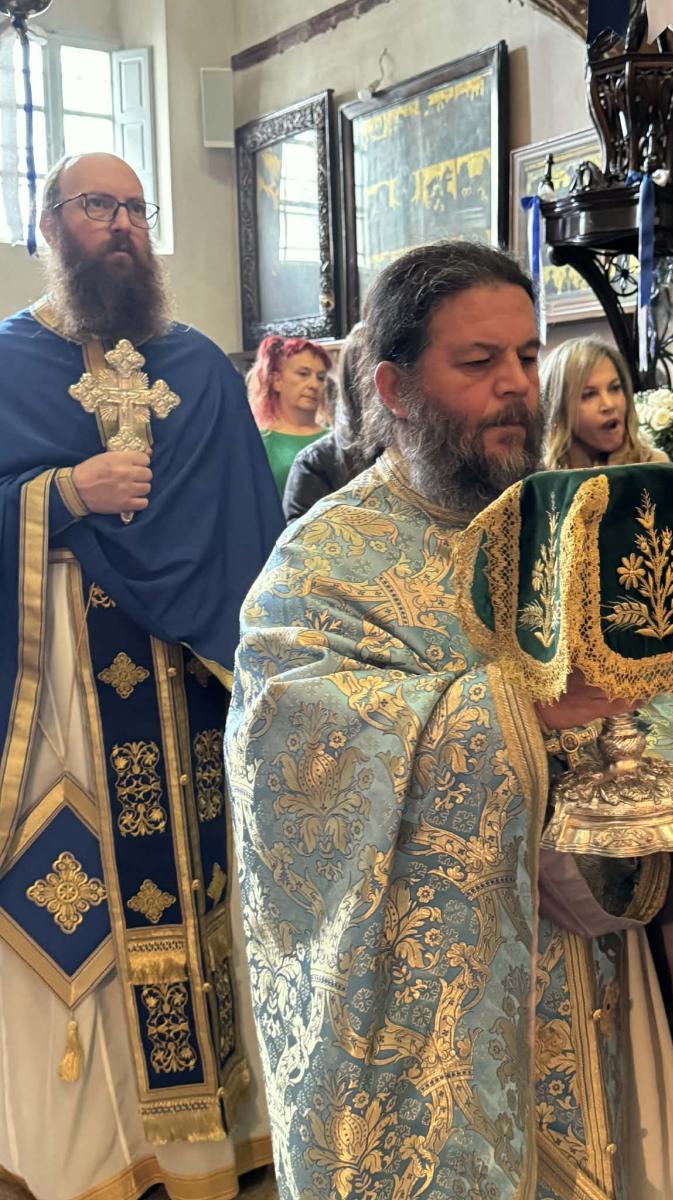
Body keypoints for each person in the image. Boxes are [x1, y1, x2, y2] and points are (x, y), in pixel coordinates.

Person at [225, 240, 673, 1200]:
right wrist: (519, 712)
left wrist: (643, 749)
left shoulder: (584, 520)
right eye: (478, 361)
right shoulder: (324, 562)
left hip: (603, 950)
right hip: (445, 1006)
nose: (515, 385)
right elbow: (300, 763)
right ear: (396, 387)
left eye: (528, 357)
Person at [0, 153, 284, 1200]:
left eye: (133, 207)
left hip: (186, 692)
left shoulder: (197, 367)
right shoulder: (4, 364)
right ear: (49, 225)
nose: (121, 224)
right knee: (72, 906)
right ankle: (87, 1152)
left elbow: (252, 542)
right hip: (58, 698)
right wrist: (60, 494)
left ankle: (209, 1140)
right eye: (96, 206)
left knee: (200, 900)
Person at [282, 322, 379, 521]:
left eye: (320, 377)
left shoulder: (418, 452)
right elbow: (302, 537)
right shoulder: (315, 463)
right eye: (303, 374)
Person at [540, 335, 666, 469]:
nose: (609, 405)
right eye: (589, 395)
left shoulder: (656, 466)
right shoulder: (542, 477)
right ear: (559, 410)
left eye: (615, 388)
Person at [247, 335, 332, 496]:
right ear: (277, 380)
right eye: (303, 374)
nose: (314, 385)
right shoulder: (259, 443)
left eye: (320, 378)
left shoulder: (336, 441)